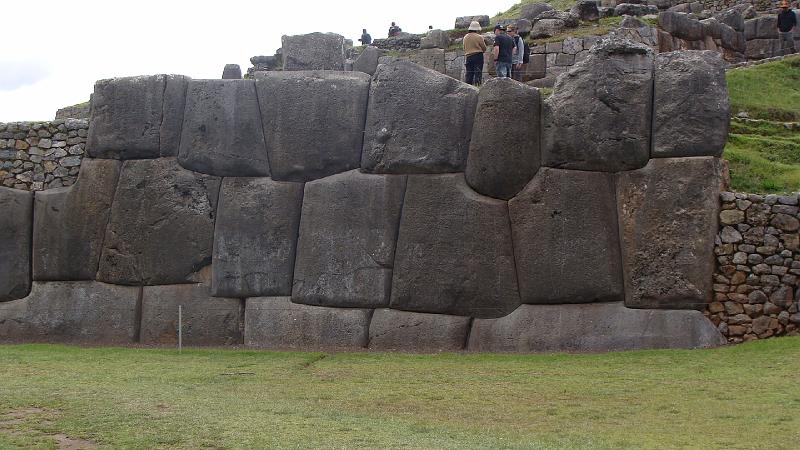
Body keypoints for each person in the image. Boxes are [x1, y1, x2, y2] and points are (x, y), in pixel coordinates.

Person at [463, 21, 487, 86]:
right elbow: (484, 47)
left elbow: (464, 48)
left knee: (469, 74)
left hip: (468, 57)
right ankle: (478, 86)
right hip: (478, 56)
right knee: (478, 73)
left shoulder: (465, 37)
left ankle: (467, 87)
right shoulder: (479, 37)